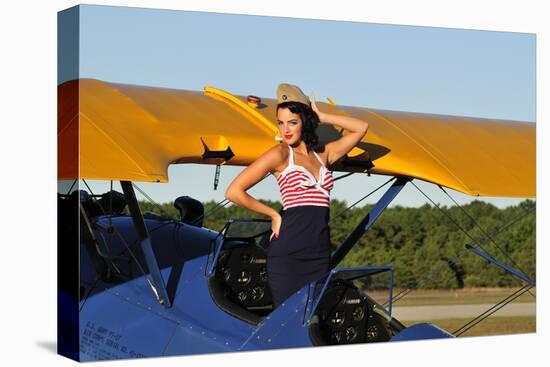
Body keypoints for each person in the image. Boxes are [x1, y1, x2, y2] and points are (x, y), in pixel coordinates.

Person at [225, 83, 369, 309]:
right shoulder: (280, 154)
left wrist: (322, 115)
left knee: (315, 316)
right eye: (280, 123)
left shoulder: (324, 154)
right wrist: (273, 214)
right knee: (288, 318)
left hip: (319, 251)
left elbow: (361, 127)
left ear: (306, 121)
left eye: (293, 122)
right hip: (288, 253)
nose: (286, 129)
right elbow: (234, 191)